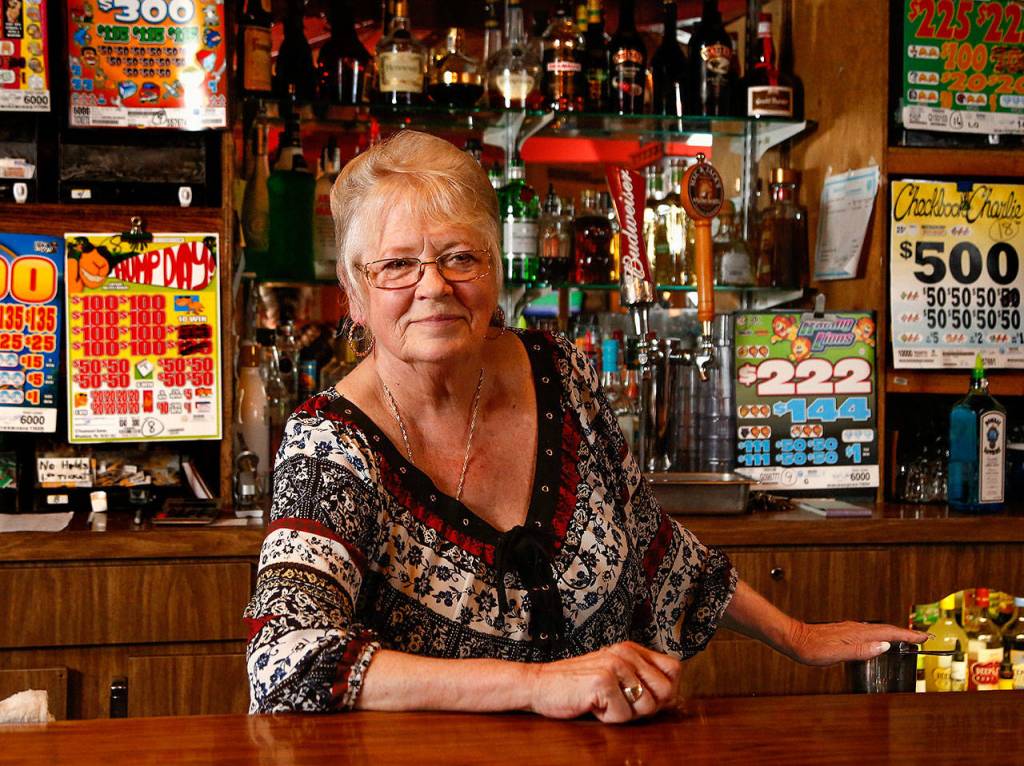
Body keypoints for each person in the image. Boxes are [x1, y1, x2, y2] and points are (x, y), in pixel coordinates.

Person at [243, 131, 924, 723]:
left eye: (460, 257)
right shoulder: (331, 445)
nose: (434, 287)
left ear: (493, 269)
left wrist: (798, 636)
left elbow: (651, 543)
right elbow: (285, 660)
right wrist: (538, 687)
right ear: (355, 294)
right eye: (397, 265)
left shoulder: (558, 373)